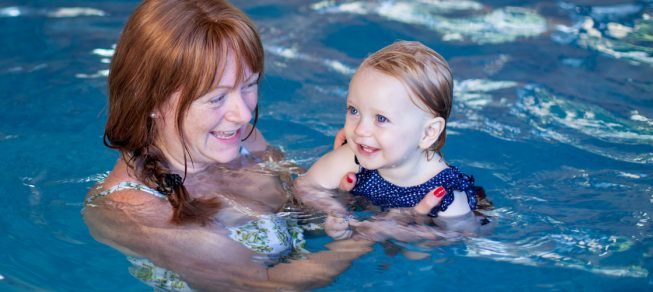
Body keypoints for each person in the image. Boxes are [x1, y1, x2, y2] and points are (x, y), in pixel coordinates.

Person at [82, 1, 447, 290]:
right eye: (217, 98)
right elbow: (262, 286)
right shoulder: (138, 212)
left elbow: (300, 212)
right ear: (152, 102)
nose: (242, 114)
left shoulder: (236, 140)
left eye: (249, 85)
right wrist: (372, 234)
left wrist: (361, 181)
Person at [295, 41, 491, 240]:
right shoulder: (353, 158)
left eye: (381, 118)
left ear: (427, 133)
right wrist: (335, 210)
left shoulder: (445, 195)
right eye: (354, 111)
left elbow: (464, 234)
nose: (361, 130)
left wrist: (398, 231)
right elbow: (305, 186)